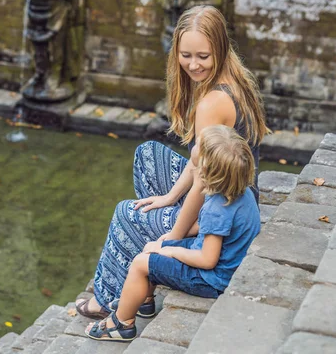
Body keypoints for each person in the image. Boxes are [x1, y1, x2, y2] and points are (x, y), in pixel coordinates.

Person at [75, 5, 268, 319]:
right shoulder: (234, 78)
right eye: (185, 55)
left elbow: (204, 182)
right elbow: (198, 164)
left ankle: (108, 298)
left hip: (226, 202)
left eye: (203, 57)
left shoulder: (212, 103)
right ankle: (150, 272)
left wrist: (172, 236)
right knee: (148, 156)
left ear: (220, 48)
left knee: (126, 213)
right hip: (239, 190)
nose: (193, 65)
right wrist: (169, 197)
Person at [85, 125, 261, 341]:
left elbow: (207, 259)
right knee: (153, 246)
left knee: (142, 263)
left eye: (199, 152)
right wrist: (166, 245)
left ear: (206, 172)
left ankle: (121, 324)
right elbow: (213, 230)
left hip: (210, 279)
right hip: (225, 261)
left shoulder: (217, 208)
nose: (194, 150)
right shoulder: (241, 193)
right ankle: (142, 300)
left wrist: (170, 251)